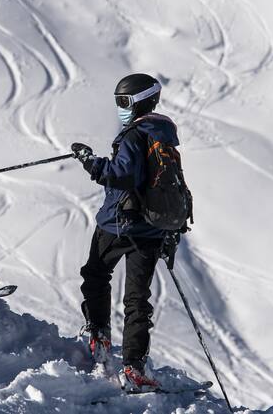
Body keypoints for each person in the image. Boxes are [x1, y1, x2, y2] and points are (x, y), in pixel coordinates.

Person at [70, 73, 181, 392]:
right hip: (152, 229)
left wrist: (90, 162)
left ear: (139, 101)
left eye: (124, 102)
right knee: (137, 298)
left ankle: (99, 336)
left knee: (95, 275)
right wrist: (171, 229)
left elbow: (120, 176)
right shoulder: (164, 133)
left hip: (118, 224)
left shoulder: (133, 135)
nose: (120, 108)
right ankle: (134, 366)